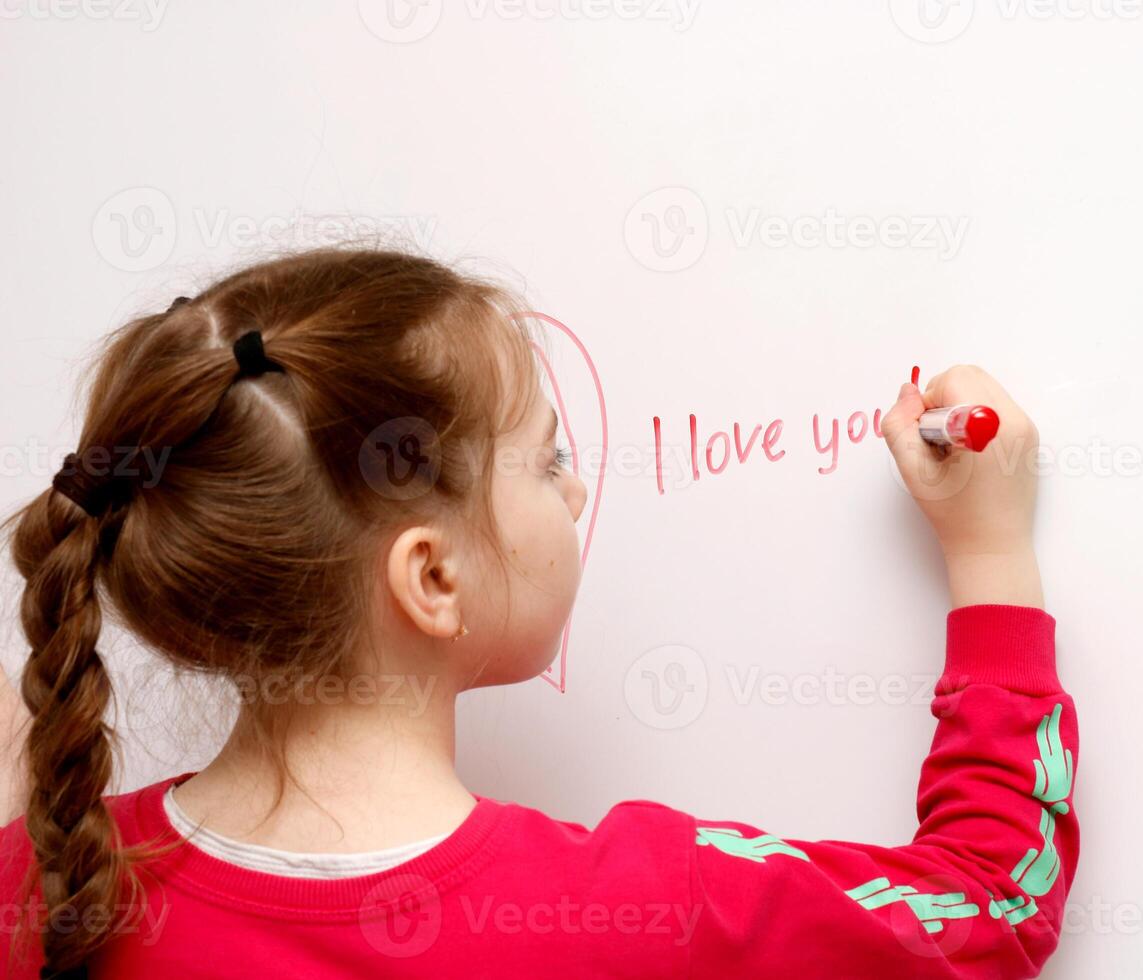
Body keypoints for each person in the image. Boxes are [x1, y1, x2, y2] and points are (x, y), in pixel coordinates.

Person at [0, 248, 1077, 978]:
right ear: (432, 578)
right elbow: (992, 894)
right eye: (547, 458)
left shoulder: (38, 885)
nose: (572, 490)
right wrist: (988, 548)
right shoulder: (642, 909)